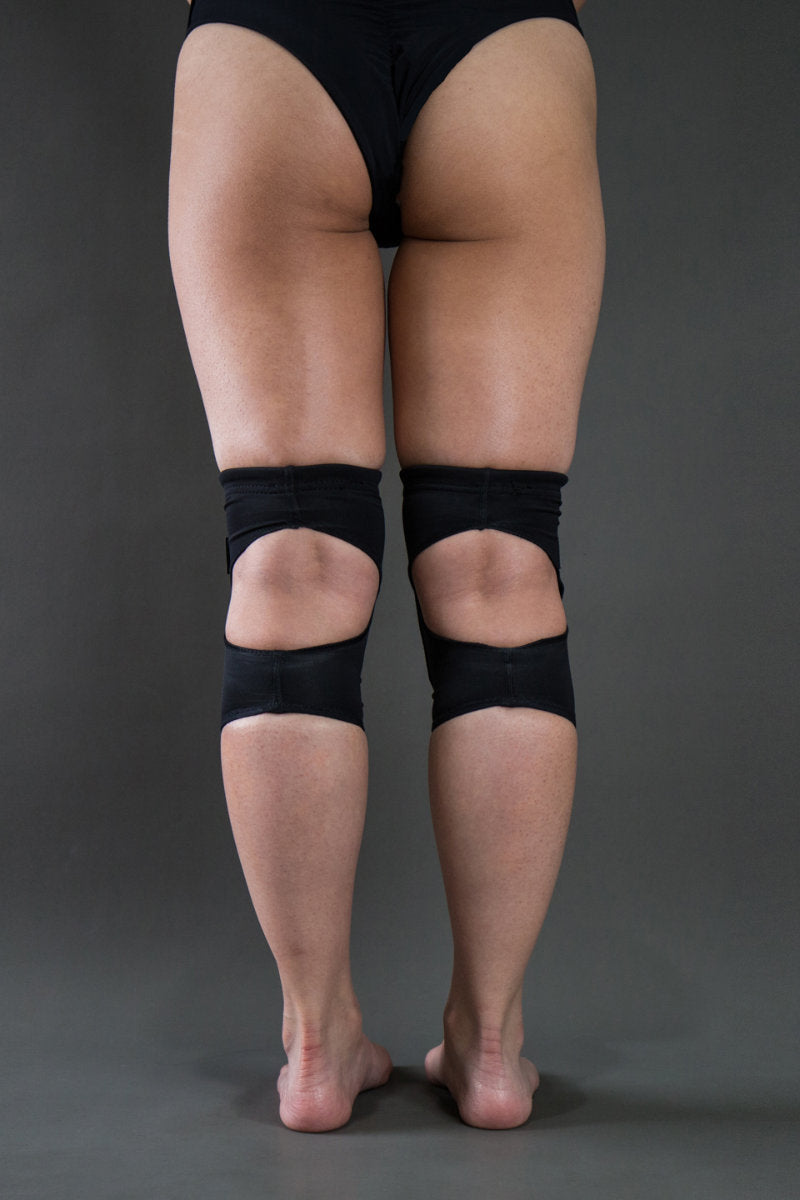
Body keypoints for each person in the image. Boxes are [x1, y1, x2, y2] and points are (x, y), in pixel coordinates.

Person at [168, 0, 604, 1133]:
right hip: (501, 40)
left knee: (293, 560)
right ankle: (490, 1047)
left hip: (271, 35)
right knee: (499, 561)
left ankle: (317, 1047)